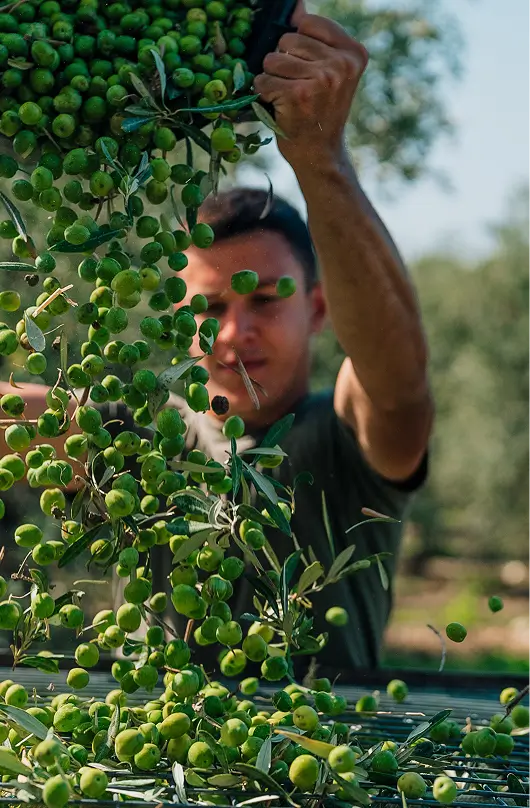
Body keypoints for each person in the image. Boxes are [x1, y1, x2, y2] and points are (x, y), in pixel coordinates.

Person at [0, 1, 433, 677]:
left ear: (319, 308)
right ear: (177, 314)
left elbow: (399, 383)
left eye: (266, 299)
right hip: (146, 774)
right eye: (209, 307)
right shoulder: (138, 442)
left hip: (324, 776)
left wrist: (320, 160)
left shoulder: (341, 443)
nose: (235, 332)